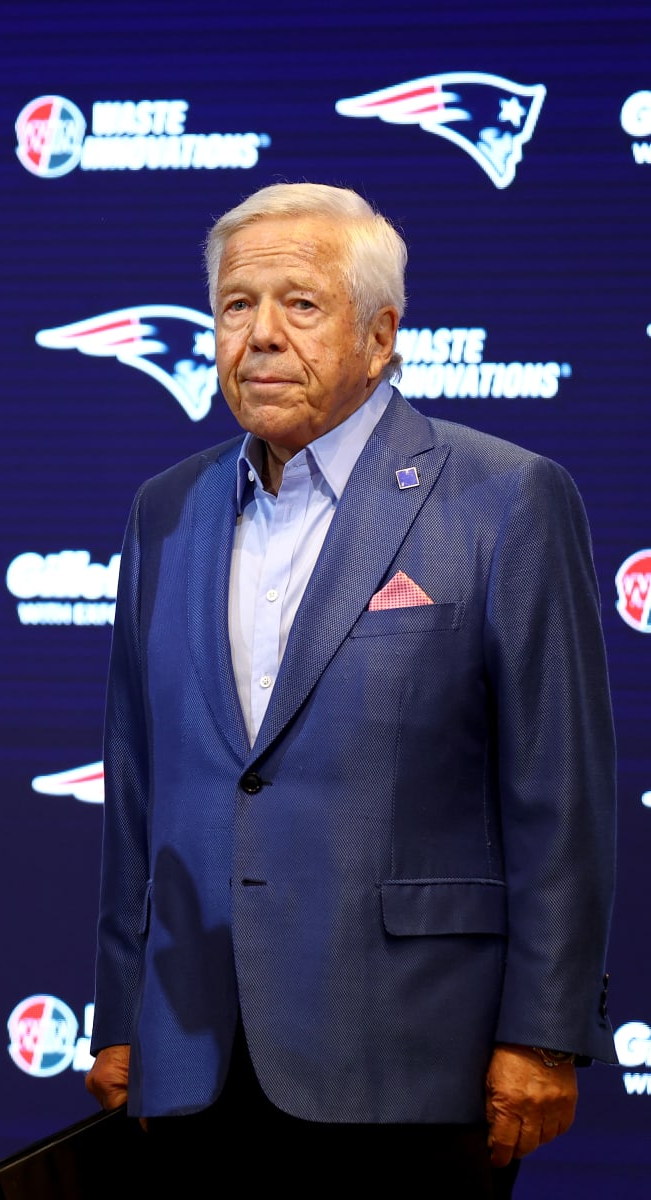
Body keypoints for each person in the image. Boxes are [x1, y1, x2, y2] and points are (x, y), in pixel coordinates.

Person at [86, 183, 615, 1195]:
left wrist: (546, 1034)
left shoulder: (506, 498)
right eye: (237, 305)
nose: (262, 336)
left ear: (380, 336)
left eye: (301, 304)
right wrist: (121, 1013)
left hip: (414, 1059)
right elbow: (135, 792)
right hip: (195, 1062)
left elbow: (561, 795)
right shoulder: (165, 511)